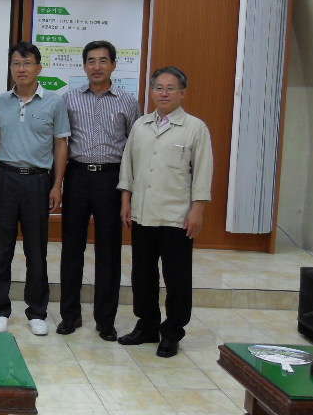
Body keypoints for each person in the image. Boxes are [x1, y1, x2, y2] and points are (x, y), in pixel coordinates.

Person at [118, 66, 213, 358]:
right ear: (152, 92)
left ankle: (172, 331)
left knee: (177, 278)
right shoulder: (141, 125)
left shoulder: (195, 128)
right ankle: (147, 325)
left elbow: (203, 172)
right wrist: (126, 200)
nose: (164, 93)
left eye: (171, 88)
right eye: (159, 87)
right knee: (142, 275)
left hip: (177, 216)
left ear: (182, 93)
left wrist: (197, 210)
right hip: (143, 213)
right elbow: (128, 165)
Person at [0, 42, 70, 336]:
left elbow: (61, 144)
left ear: (38, 68)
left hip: (37, 181)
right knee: (1, 248)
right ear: (11, 68)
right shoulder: (0, 102)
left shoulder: (54, 102)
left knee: (36, 249)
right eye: (16, 64)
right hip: (5, 179)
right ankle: (0, 309)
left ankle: (37, 311)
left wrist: (57, 184)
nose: (21, 69)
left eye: (27, 63)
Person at [57, 41, 141, 341]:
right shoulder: (68, 99)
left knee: (109, 252)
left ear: (113, 65)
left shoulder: (128, 102)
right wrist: (58, 182)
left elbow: (134, 146)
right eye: (91, 61)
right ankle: (70, 315)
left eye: (103, 61)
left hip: (111, 179)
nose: (96, 66)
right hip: (77, 176)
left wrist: (129, 190)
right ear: (84, 66)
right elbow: (62, 143)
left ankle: (106, 320)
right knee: (71, 249)